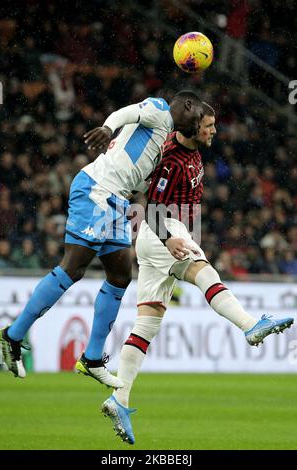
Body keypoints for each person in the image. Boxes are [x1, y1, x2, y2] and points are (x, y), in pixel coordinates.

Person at [101, 103, 294, 444]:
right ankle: (250, 326)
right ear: (191, 128)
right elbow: (152, 204)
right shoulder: (172, 159)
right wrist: (170, 238)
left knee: (147, 323)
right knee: (203, 272)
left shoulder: (189, 149)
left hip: (163, 233)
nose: (213, 131)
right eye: (208, 125)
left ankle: (120, 398)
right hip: (165, 230)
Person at [0, 91, 204, 387]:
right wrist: (108, 127)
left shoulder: (163, 142)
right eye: (197, 117)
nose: (197, 125)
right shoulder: (160, 110)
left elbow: (143, 185)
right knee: (73, 269)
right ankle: (12, 336)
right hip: (97, 190)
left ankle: (92, 358)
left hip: (118, 201)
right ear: (187, 106)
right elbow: (127, 112)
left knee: (120, 276)